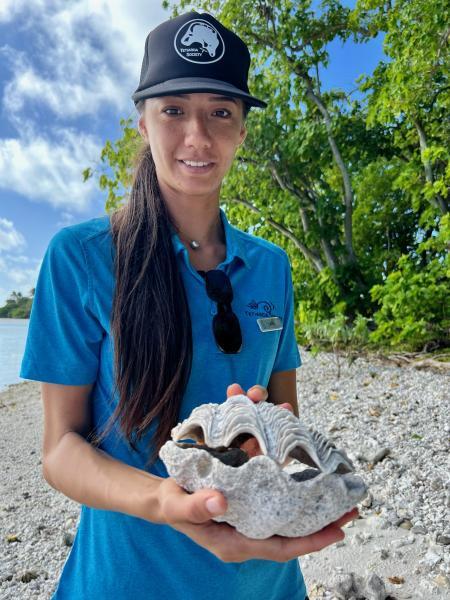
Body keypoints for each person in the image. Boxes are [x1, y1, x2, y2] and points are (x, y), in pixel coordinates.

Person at [20, 11, 357, 600]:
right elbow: (59, 450)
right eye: (173, 110)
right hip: (127, 579)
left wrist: (257, 429)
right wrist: (165, 501)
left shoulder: (272, 266)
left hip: (268, 579)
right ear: (143, 123)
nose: (197, 137)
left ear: (243, 130)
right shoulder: (81, 257)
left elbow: (285, 428)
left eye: (220, 112)